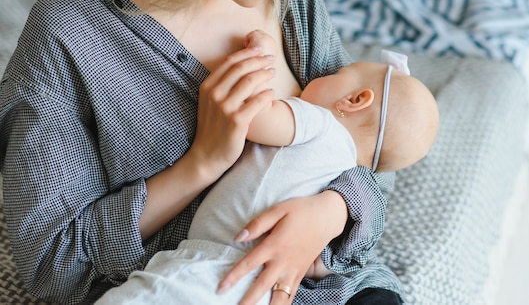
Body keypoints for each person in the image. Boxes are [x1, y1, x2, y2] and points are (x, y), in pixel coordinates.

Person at [0, 0, 407, 304]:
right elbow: (55, 265)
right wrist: (203, 161)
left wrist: (331, 213)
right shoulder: (68, 36)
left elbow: (377, 142)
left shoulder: (290, 1)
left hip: (324, 289)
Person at [93, 31, 439, 304]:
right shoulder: (343, 171)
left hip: (212, 265)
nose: (321, 75)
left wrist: (263, 56)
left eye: (339, 73)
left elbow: (254, 115)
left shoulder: (319, 123)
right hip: (262, 286)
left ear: (354, 100)